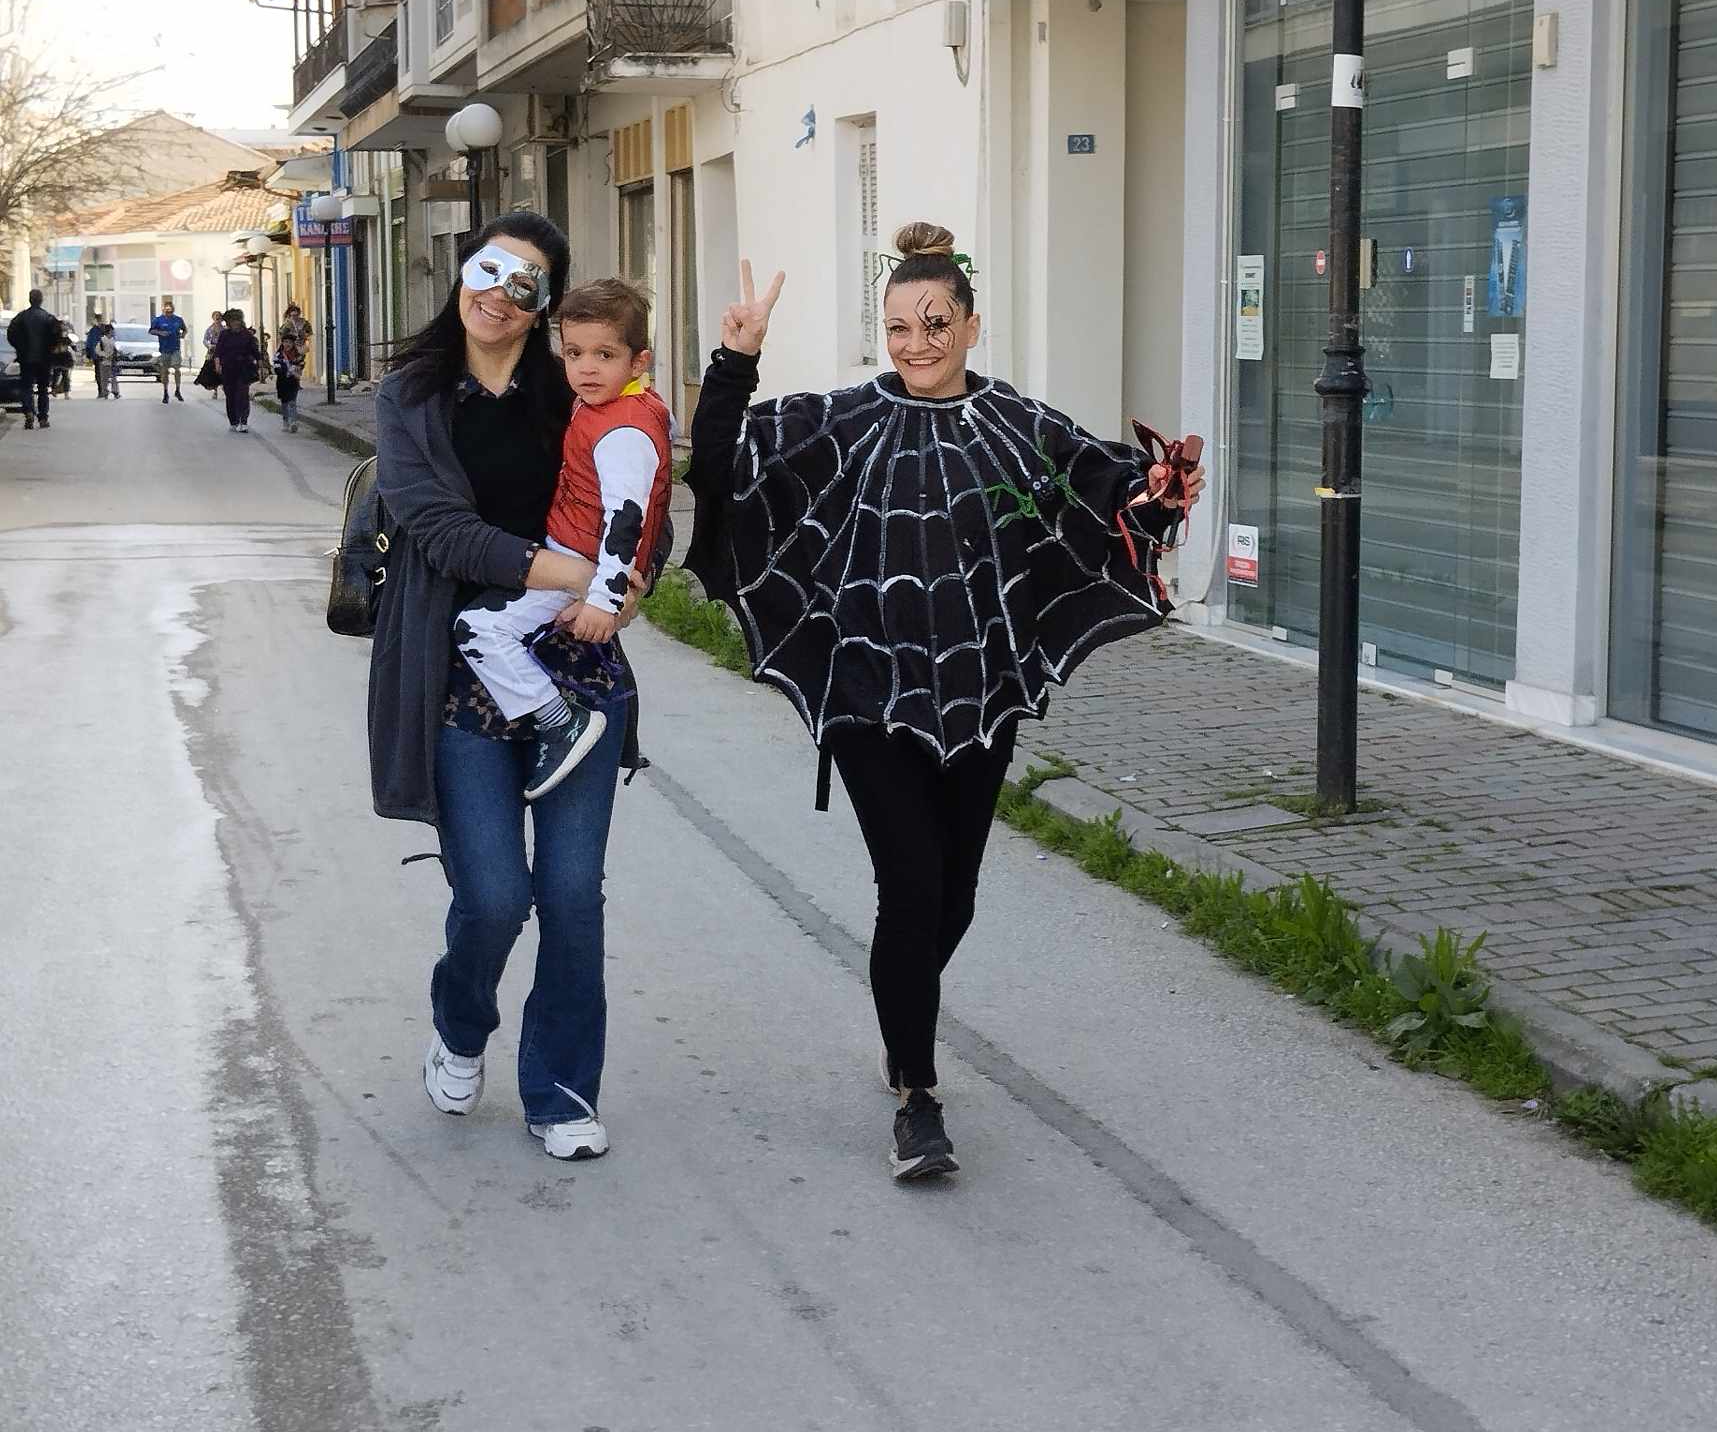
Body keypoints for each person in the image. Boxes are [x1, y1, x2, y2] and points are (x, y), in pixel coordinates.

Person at [684, 224, 1206, 1181]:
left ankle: (902, 1021)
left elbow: (1105, 489)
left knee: (953, 896)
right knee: (912, 888)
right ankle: (917, 1098)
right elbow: (719, 464)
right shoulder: (847, 417)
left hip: (979, 689)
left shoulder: (1016, 422)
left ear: (970, 325)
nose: (915, 343)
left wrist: (1163, 494)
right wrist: (737, 359)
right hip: (864, 688)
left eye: (934, 325)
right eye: (897, 328)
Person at [369, 211, 672, 1164]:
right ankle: (462, 1025)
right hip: (459, 676)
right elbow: (437, 529)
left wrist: (631, 581)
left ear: (545, 306)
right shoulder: (414, 396)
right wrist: (576, 572)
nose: (499, 294)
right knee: (496, 897)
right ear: (464, 270)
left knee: (572, 896)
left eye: (525, 283)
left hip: (576, 674)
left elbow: (646, 499)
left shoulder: (573, 382)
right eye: (489, 270)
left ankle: (562, 1089)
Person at [451, 279, 671, 803]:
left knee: (479, 629)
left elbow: (628, 521)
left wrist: (603, 599)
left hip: (581, 560)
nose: (586, 368)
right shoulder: (606, 406)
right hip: (571, 551)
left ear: (639, 362)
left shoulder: (624, 431)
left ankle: (560, 722)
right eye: (574, 353)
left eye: (604, 355)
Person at [6, 288, 60, 428]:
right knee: (43, 389)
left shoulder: (21, 317)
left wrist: (20, 348)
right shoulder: (48, 318)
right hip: (44, 359)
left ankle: (29, 412)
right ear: (41, 300)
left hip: (26, 359)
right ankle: (43, 418)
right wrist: (51, 349)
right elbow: (57, 335)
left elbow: (11, 334)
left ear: (30, 300)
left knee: (26, 387)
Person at [213, 309, 261, 432]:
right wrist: (217, 365)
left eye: (237, 320)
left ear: (240, 321)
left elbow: (255, 352)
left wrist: (261, 366)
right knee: (230, 395)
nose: (235, 323)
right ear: (229, 322)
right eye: (232, 320)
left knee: (243, 394)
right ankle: (233, 421)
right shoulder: (224, 335)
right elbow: (218, 351)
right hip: (228, 369)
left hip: (244, 368)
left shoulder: (247, 335)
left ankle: (243, 421)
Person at [150, 299, 189, 403]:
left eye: (170, 311)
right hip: (164, 349)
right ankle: (165, 392)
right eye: (166, 311)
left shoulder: (178, 319)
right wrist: (160, 333)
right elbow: (151, 330)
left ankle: (177, 389)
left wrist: (183, 335)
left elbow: (185, 329)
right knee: (165, 371)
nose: (168, 313)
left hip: (175, 348)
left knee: (177, 368)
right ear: (163, 310)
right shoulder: (158, 320)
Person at [273, 334, 303, 430]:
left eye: (290, 342)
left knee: (292, 401)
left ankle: (293, 422)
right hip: (282, 382)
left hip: (293, 381)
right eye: (285, 342)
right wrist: (287, 371)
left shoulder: (297, 355)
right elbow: (276, 368)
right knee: (284, 403)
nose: (287, 344)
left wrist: (296, 369)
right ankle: (285, 421)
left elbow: (301, 364)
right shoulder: (278, 355)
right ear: (282, 343)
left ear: (293, 344)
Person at [82, 316, 111, 398]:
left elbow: (89, 342)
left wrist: (88, 353)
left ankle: (102, 391)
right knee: (102, 373)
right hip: (101, 355)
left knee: (100, 373)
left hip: (99, 355)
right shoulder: (102, 329)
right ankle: (103, 390)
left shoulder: (95, 330)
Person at [202, 311, 225, 400]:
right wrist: (209, 345)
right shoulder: (210, 329)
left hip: (222, 351)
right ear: (213, 318)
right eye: (216, 316)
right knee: (213, 370)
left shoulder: (224, 330)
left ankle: (224, 386)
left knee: (223, 369)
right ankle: (215, 390)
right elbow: (205, 340)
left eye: (219, 316)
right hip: (212, 351)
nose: (217, 318)